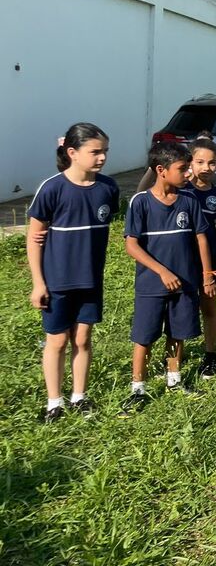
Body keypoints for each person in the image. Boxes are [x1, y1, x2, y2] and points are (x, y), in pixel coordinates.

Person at [27, 123, 119, 422]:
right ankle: (54, 402)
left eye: (104, 151)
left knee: (82, 339)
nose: (102, 157)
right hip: (57, 282)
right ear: (72, 152)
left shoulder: (108, 188)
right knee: (57, 341)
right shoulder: (52, 188)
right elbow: (34, 237)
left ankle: (79, 396)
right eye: (94, 152)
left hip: (90, 280)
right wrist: (38, 283)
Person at [121, 143, 216, 414]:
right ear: (161, 171)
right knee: (145, 336)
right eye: (182, 169)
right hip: (152, 285)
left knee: (178, 331)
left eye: (188, 168)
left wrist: (207, 275)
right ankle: (137, 388)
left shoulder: (188, 201)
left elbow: (201, 238)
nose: (188, 174)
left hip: (185, 283)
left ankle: (174, 380)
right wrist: (162, 271)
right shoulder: (141, 202)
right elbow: (132, 245)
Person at [181, 134, 216, 379]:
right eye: (200, 162)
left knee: (209, 307)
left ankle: (210, 354)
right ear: (189, 163)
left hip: (209, 260)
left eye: (211, 163)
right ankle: (175, 358)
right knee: (179, 310)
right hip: (181, 261)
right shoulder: (180, 191)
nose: (206, 168)